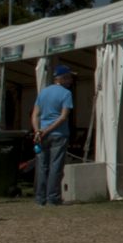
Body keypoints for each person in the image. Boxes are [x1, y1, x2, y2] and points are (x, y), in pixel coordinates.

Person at [29, 66, 76, 206]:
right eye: (69, 77)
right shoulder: (66, 94)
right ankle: (53, 197)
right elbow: (63, 117)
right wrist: (48, 130)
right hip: (58, 134)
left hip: (42, 134)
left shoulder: (43, 92)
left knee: (42, 166)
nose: (71, 80)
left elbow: (35, 114)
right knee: (56, 166)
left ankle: (40, 197)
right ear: (63, 78)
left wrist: (38, 130)